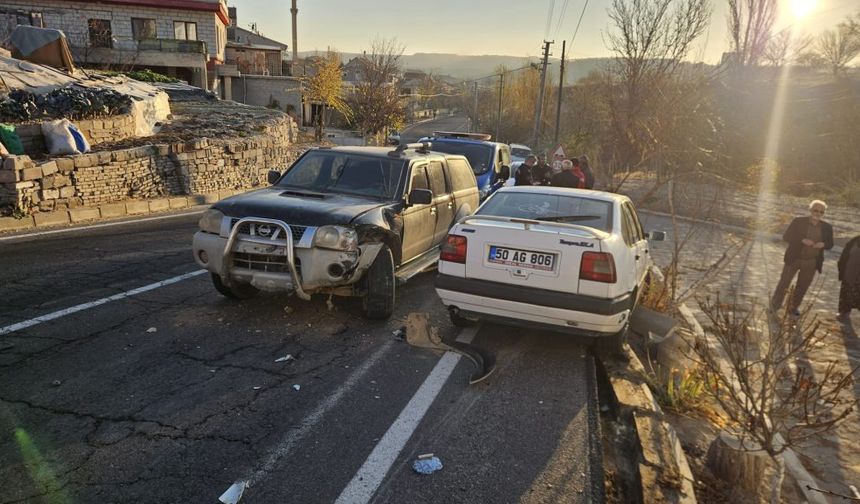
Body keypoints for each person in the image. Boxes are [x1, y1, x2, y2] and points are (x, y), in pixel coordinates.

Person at [771, 200, 834, 317]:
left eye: (821, 211)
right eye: (816, 210)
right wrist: (802, 240)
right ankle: (774, 305)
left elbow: (830, 244)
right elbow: (786, 236)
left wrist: (823, 244)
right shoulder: (798, 221)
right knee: (784, 283)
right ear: (810, 210)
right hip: (794, 259)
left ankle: (793, 308)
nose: (818, 213)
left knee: (803, 286)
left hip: (812, 262)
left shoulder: (827, 227)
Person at [837, 235, 860, 324]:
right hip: (849, 271)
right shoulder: (854, 240)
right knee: (846, 291)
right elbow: (844, 255)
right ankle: (844, 312)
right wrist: (841, 267)